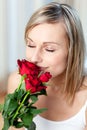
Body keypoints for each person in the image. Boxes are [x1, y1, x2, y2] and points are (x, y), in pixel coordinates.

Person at [7, 2, 87, 130]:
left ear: (73, 51)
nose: (34, 58)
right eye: (31, 45)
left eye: (49, 49)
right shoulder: (17, 82)